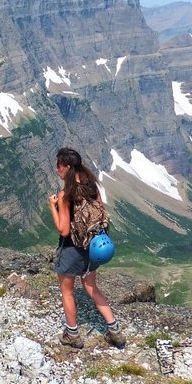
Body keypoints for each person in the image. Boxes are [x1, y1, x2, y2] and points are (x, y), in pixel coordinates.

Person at [48, 147, 126, 349]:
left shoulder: (65, 195)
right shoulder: (93, 187)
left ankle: (72, 334)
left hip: (71, 250)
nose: (56, 169)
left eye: (58, 166)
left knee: (67, 292)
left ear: (66, 167)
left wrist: (53, 207)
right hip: (92, 249)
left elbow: (64, 230)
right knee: (92, 288)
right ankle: (114, 329)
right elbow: (101, 214)